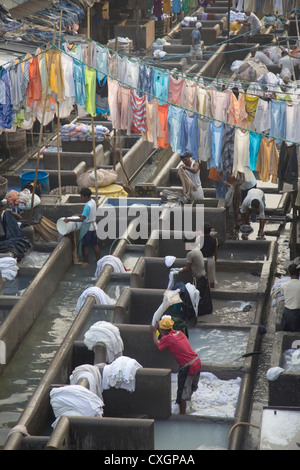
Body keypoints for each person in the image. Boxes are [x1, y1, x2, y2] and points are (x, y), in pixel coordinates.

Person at [150, 316, 201, 414]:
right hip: (197, 362)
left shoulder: (168, 339)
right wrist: (160, 330)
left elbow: (158, 344)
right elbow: (167, 337)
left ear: (164, 330)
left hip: (188, 367)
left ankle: (182, 417)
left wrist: (153, 333)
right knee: (190, 388)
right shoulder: (179, 333)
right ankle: (189, 406)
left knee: (181, 396)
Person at [64, 188, 100, 265]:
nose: (81, 197)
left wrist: (69, 220)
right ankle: (99, 261)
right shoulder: (92, 202)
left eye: (82, 196)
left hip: (88, 228)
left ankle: (86, 262)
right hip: (94, 226)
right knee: (95, 245)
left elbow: (82, 220)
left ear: (86, 196)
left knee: (85, 246)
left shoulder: (87, 206)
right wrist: (79, 215)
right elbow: (88, 215)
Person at [177, 247, 213, 315]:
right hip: (203, 276)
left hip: (198, 278)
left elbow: (187, 269)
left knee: (196, 296)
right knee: (204, 297)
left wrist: (178, 272)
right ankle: (205, 311)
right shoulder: (198, 251)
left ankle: (197, 313)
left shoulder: (190, 254)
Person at [280, 264, 300, 332]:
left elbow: (283, 293)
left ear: (289, 273)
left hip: (288, 312)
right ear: (299, 273)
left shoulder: (284, 285)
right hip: (298, 312)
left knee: (287, 332)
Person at [201, 222, 218, 288]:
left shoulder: (199, 239)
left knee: (201, 278)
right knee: (211, 280)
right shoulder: (215, 240)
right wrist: (214, 259)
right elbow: (215, 252)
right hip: (210, 259)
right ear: (210, 230)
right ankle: (212, 292)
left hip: (201, 260)